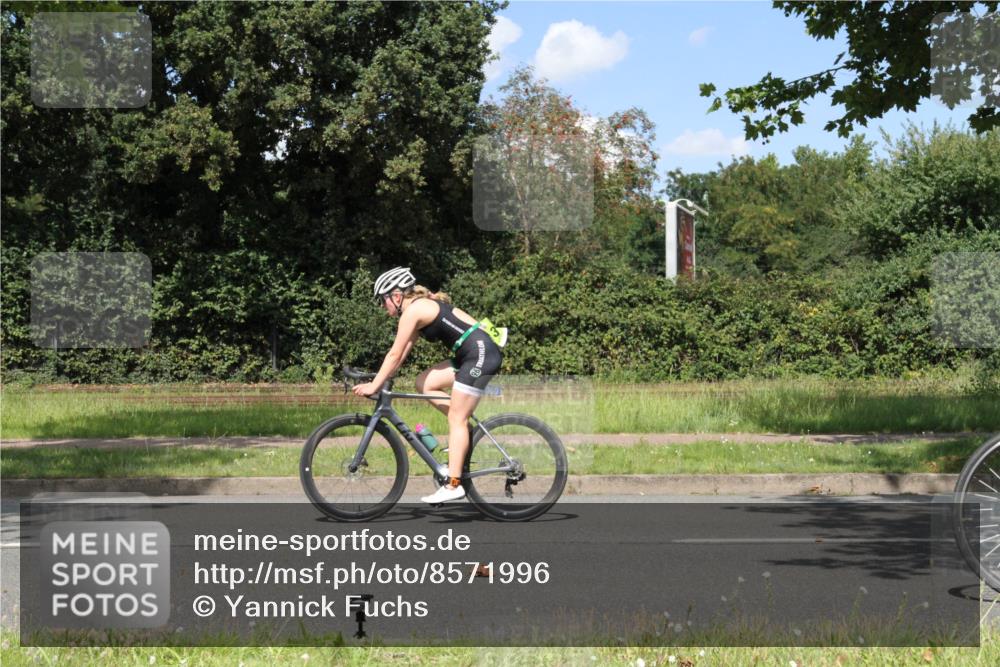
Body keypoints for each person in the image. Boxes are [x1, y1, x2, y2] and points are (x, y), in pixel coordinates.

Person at [351, 267, 504, 504]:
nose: (382, 307)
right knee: (424, 383)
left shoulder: (414, 311)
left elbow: (393, 355)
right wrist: (381, 379)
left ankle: (453, 485)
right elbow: (401, 355)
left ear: (396, 296)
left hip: (480, 355)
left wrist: (374, 386)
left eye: (383, 300)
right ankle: (463, 429)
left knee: (456, 418)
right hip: (473, 354)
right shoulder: (418, 309)